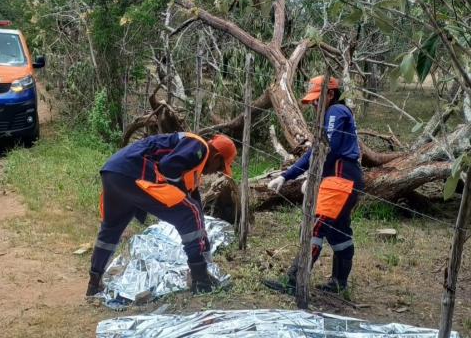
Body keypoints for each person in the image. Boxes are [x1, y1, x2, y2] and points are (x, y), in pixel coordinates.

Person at [86, 132, 237, 297]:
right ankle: (200, 280)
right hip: (134, 173)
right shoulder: (198, 147)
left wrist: (207, 254)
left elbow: (196, 209)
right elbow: (168, 167)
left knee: (111, 229)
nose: (216, 172)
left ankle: (94, 282)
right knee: (188, 214)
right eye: (220, 167)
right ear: (215, 156)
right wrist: (178, 198)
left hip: (113, 173)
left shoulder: (192, 164)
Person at [265, 75, 364, 294]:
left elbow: (327, 148)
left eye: (316, 99)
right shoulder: (333, 113)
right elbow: (316, 150)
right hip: (345, 178)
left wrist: (312, 177)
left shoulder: (335, 112)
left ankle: (293, 281)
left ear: (330, 94)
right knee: (338, 232)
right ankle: (339, 283)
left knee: (315, 226)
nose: (314, 105)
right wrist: (287, 175)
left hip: (340, 178)